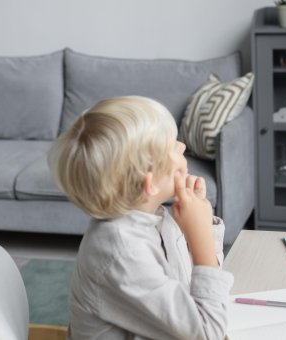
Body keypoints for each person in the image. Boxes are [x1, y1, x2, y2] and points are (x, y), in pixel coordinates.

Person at [48, 96, 233, 339]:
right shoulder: (121, 252)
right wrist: (200, 238)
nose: (182, 147)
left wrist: (202, 225)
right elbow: (208, 333)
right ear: (150, 183)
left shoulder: (153, 217)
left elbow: (194, 288)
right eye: (171, 145)